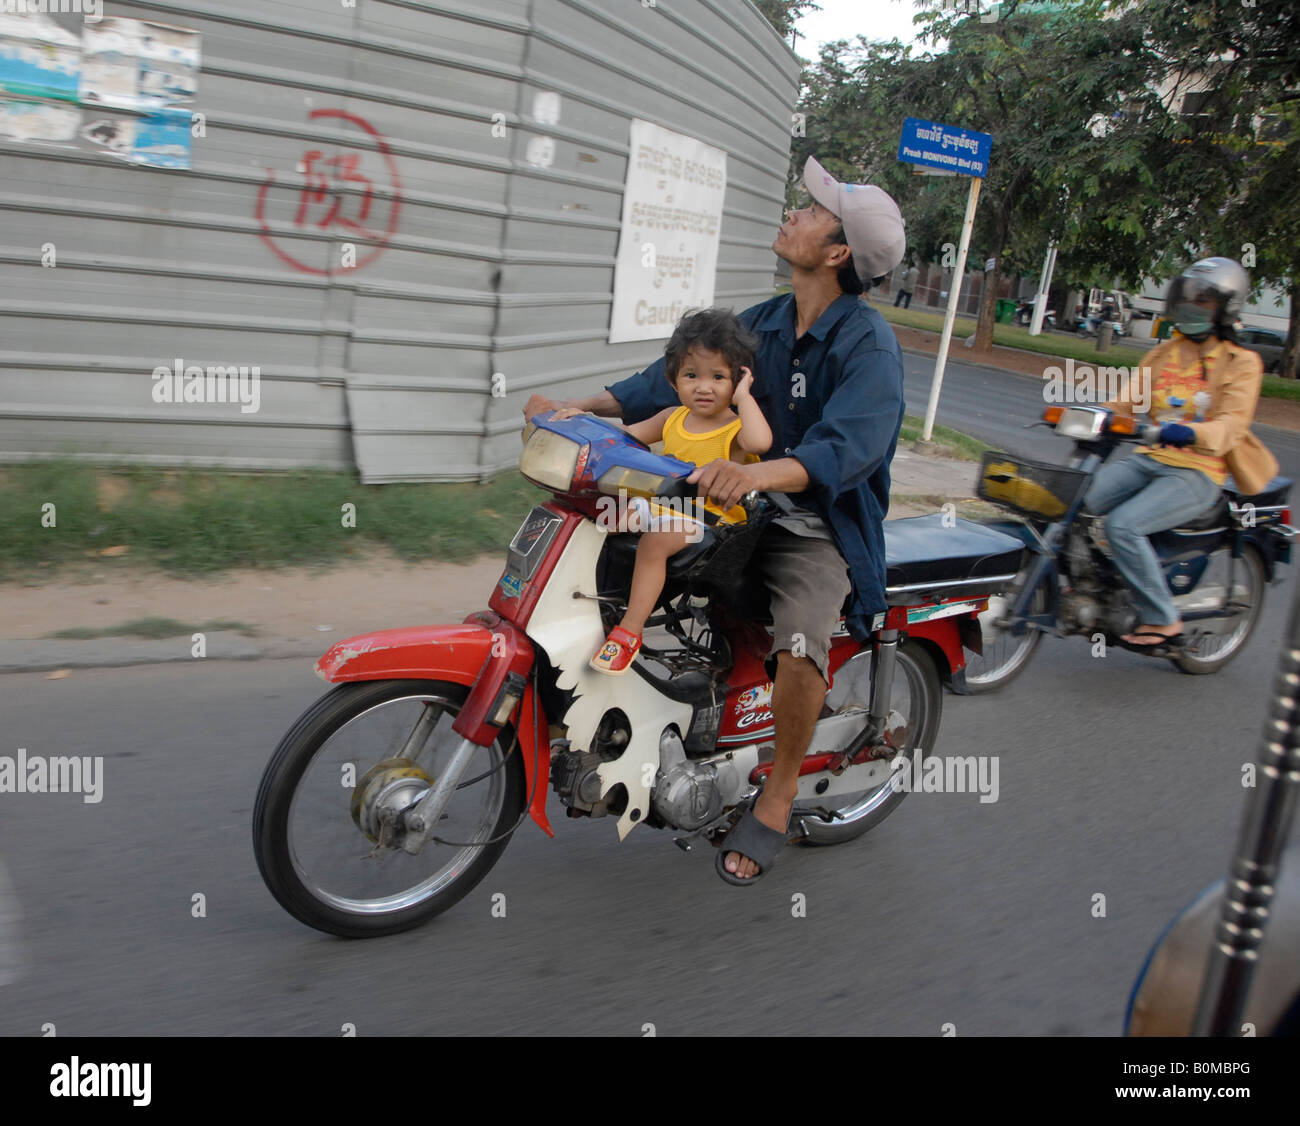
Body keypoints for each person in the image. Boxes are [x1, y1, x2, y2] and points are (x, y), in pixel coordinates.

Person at [524, 156, 907, 884]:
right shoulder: (761, 321)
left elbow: (847, 448)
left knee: (799, 642)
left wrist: (757, 471)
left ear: (837, 254)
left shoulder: (870, 346)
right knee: (604, 551)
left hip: (811, 524)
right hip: (724, 508)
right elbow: (669, 380)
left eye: (813, 212)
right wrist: (579, 407)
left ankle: (780, 791)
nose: (795, 212)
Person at [552, 308, 773, 675]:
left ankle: (629, 631)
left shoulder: (734, 428)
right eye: (692, 376)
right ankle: (584, 606)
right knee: (596, 516)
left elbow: (761, 441)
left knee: (655, 541)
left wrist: (745, 397)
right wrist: (579, 419)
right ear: (673, 380)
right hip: (663, 507)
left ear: (736, 379)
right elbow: (622, 439)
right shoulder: (671, 417)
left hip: (709, 524)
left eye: (718, 377)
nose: (704, 387)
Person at [1087, 257, 1278, 647]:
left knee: (1123, 524)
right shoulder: (1164, 354)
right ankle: (1097, 584)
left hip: (1198, 472)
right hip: (1150, 459)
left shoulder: (1242, 363)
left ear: (1226, 307)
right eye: (1189, 298)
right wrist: (1088, 415)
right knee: (1074, 500)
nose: (1192, 307)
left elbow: (1230, 427)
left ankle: (1163, 618)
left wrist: (1184, 432)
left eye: (1204, 301)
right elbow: (1124, 405)